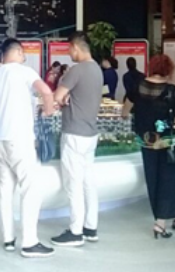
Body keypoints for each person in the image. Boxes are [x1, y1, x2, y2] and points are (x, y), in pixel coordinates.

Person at [0, 38, 56, 258]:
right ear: (19, 52)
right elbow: (46, 91)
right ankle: (30, 242)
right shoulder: (25, 72)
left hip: (0, 140)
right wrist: (48, 111)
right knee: (30, 189)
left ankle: (8, 238)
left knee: (5, 190)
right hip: (20, 139)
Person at [124, 54, 175, 239]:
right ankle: (162, 221)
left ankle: (171, 217)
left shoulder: (137, 87)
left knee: (154, 179)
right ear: (168, 70)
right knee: (170, 178)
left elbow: (125, 110)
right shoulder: (173, 91)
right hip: (168, 141)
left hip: (146, 141)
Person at [50, 32, 104, 247]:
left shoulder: (76, 70)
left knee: (73, 184)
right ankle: (90, 227)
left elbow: (56, 97)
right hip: (90, 133)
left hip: (74, 133)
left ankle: (75, 231)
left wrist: (62, 99)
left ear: (75, 47)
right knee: (88, 182)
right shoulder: (97, 69)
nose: (68, 54)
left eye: (69, 49)